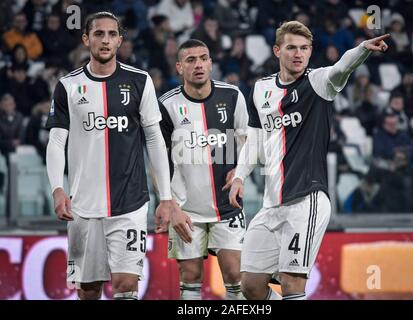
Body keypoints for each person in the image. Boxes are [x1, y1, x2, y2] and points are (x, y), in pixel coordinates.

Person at [229, 21, 390, 300]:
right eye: (291, 48)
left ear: (311, 51)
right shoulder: (261, 89)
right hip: (272, 203)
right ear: (277, 50)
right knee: (250, 285)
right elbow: (254, 139)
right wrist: (240, 176)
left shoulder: (319, 83)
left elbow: (342, 67)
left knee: (292, 283)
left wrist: (363, 49)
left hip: (307, 199)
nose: (298, 54)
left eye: (304, 48)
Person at [45, 12, 174, 300]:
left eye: (111, 34)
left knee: (126, 285)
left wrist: (165, 196)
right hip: (83, 205)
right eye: (99, 34)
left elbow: (154, 139)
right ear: (86, 39)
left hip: (130, 201)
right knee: (88, 291)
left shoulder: (140, 81)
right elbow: (56, 142)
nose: (105, 40)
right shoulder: (67, 86)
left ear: (119, 40)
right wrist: (57, 188)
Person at [158, 39, 248, 300]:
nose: (198, 64)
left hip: (227, 206)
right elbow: (157, 161)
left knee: (235, 275)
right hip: (185, 210)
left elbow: (250, 143)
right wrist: (170, 205)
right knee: (190, 277)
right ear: (179, 67)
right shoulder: (167, 105)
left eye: (203, 58)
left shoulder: (232, 96)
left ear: (211, 63)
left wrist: (241, 170)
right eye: (190, 60)